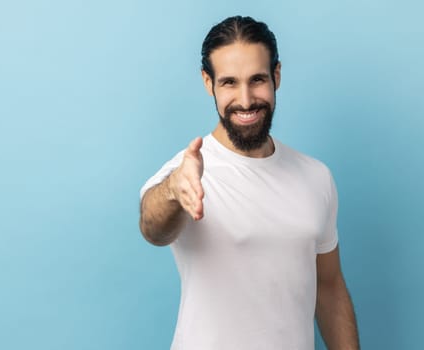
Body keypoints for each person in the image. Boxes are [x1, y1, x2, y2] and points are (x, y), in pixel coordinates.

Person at [139, 15, 360, 350]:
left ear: (277, 76)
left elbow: (329, 287)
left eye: (257, 80)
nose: (245, 100)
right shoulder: (187, 173)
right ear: (208, 82)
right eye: (229, 82)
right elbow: (153, 228)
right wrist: (174, 191)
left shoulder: (316, 177)